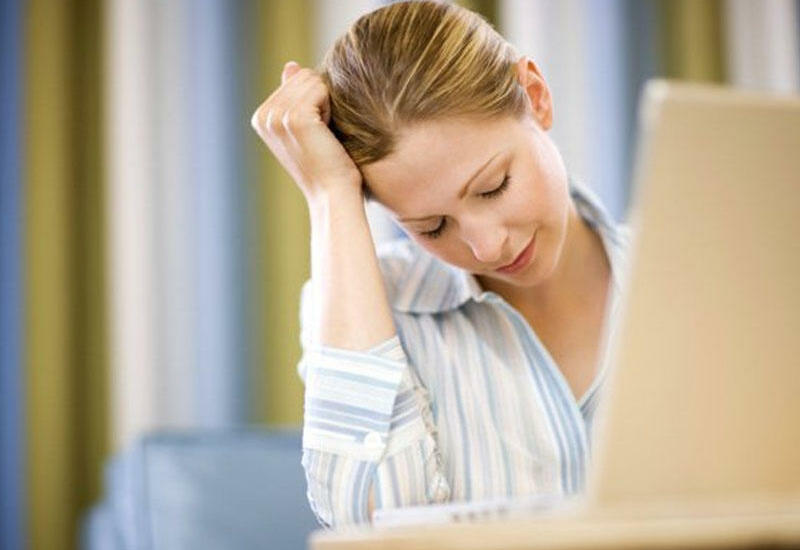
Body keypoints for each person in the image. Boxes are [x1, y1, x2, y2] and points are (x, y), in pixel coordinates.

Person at [250, 0, 632, 529]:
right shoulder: (364, 308)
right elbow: (369, 521)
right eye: (431, 226)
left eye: (493, 187)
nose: (487, 248)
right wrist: (329, 195)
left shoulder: (700, 276)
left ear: (536, 96)